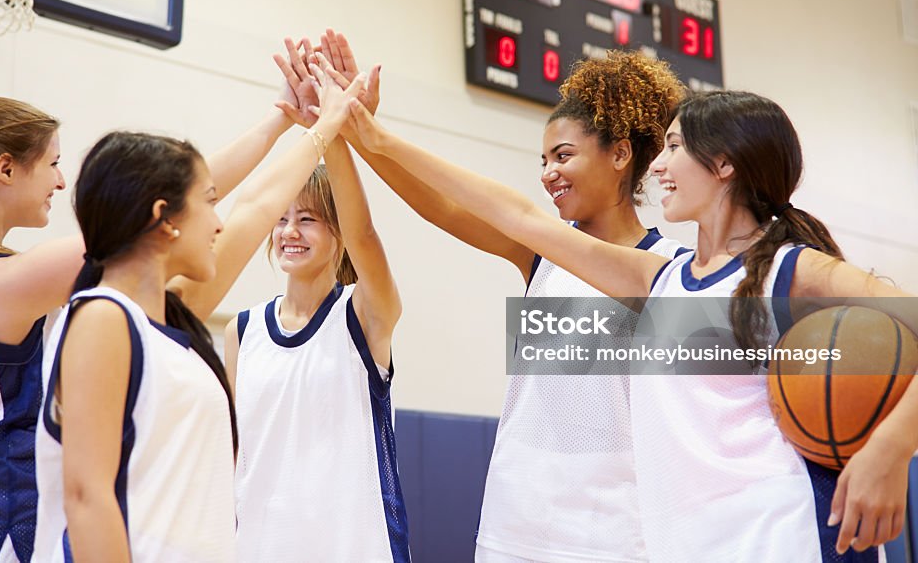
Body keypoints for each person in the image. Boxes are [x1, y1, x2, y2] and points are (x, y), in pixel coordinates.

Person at [347, 88, 918, 561]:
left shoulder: (793, 269)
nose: (660, 165)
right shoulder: (660, 282)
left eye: (673, 147)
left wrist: (887, 452)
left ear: (724, 164)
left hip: (778, 527)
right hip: (681, 540)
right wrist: (374, 138)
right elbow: (513, 215)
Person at [0, 91, 334, 562]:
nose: (61, 181)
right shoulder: (2, 283)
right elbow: (147, 213)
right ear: (5, 169)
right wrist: (296, 127)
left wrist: (281, 122)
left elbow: (173, 204)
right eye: (52, 163)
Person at [319, 31, 688, 562]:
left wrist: (375, 135)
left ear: (620, 155)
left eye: (563, 155)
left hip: (614, 534)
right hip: (515, 522)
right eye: (542, 160)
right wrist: (359, 132)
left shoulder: (670, 271)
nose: (548, 173)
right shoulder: (540, 257)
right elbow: (443, 207)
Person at [32, 68, 364, 561]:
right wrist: (323, 130)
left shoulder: (168, 319)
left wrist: (308, 125)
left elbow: (257, 205)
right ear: (165, 221)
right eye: (208, 203)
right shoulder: (103, 318)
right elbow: (87, 498)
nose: (219, 221)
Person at [227, 49, 409, 561]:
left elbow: (365, 233)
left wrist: (334, 133)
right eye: (282, 218)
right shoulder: (241, 331)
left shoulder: (364, 313)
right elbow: (233, 452)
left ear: (336, 232)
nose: (289, 231)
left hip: (354, 546)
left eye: (307, 219)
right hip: (257, 546)